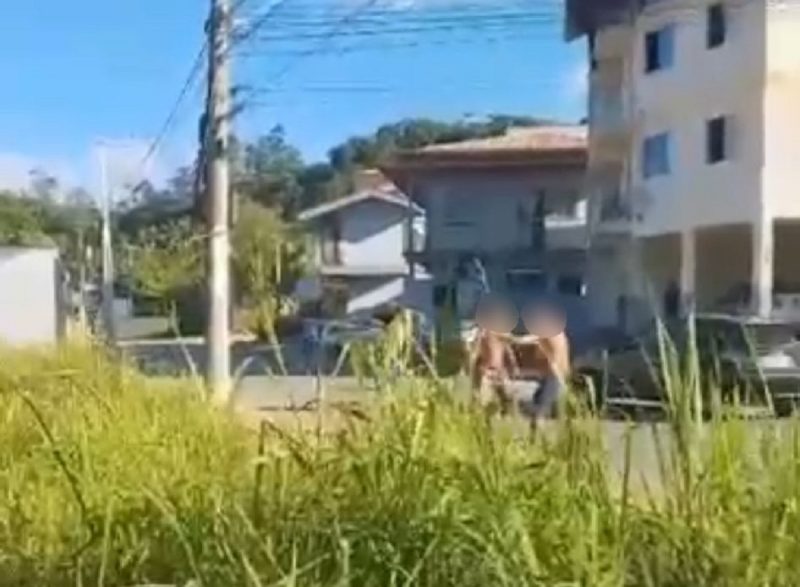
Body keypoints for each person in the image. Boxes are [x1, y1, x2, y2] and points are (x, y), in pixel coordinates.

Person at [503, 301, 571, 430]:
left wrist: (505, 337)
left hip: (553, 378)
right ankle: (537, 439)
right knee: (542, 409)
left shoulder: (546, 332)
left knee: (539, 413)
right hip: (558, 377)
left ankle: (537, 442)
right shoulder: (560, 334)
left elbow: (523, 341)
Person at [469, 296, 519, 415]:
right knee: (481, 400)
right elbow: (475, 351)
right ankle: (482, 418)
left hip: (498, 372)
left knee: (507, 399)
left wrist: (513, 365)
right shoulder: (485, 332)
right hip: (487, 371)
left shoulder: (494, 331)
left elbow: (508, 349)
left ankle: (496, 415)